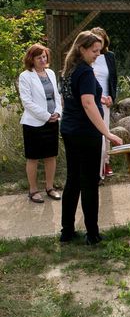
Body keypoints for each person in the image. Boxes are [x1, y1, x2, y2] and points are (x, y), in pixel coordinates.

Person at [60, 31, 123, 244]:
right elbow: (87, 104)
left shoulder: (69, 70)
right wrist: (106, 133)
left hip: (69, 129)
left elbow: (73, 99)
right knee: (89, 182)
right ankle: (93, 234)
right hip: (86, 133)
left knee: (73, 181)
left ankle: (67, 231)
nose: (98, 54)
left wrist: (100, 97)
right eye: (94, 50)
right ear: (82, 49)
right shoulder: (86, 71)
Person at [19, 44, 62, 204]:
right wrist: (46, 115)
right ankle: (33, 190)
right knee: (33, 158)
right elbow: (27, 102)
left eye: (44, 56)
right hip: (34, 124)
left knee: (51, 156)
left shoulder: (50, 73)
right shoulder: (25, 76)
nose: (43, 60)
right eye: (39, 57)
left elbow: (56, 95)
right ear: (32, 59)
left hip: (53, 121)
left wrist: (57, 112)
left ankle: (50, 188)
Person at [91, 27, 118, 179]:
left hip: (106, 101)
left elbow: (114, 78)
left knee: (105, 133)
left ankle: (105, 162)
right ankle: (96, 167)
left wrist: (112, 97)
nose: (98, 43)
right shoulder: (87, 57)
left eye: (100, 40)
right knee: (96, 134)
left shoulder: (109, 56)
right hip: (92, 99)